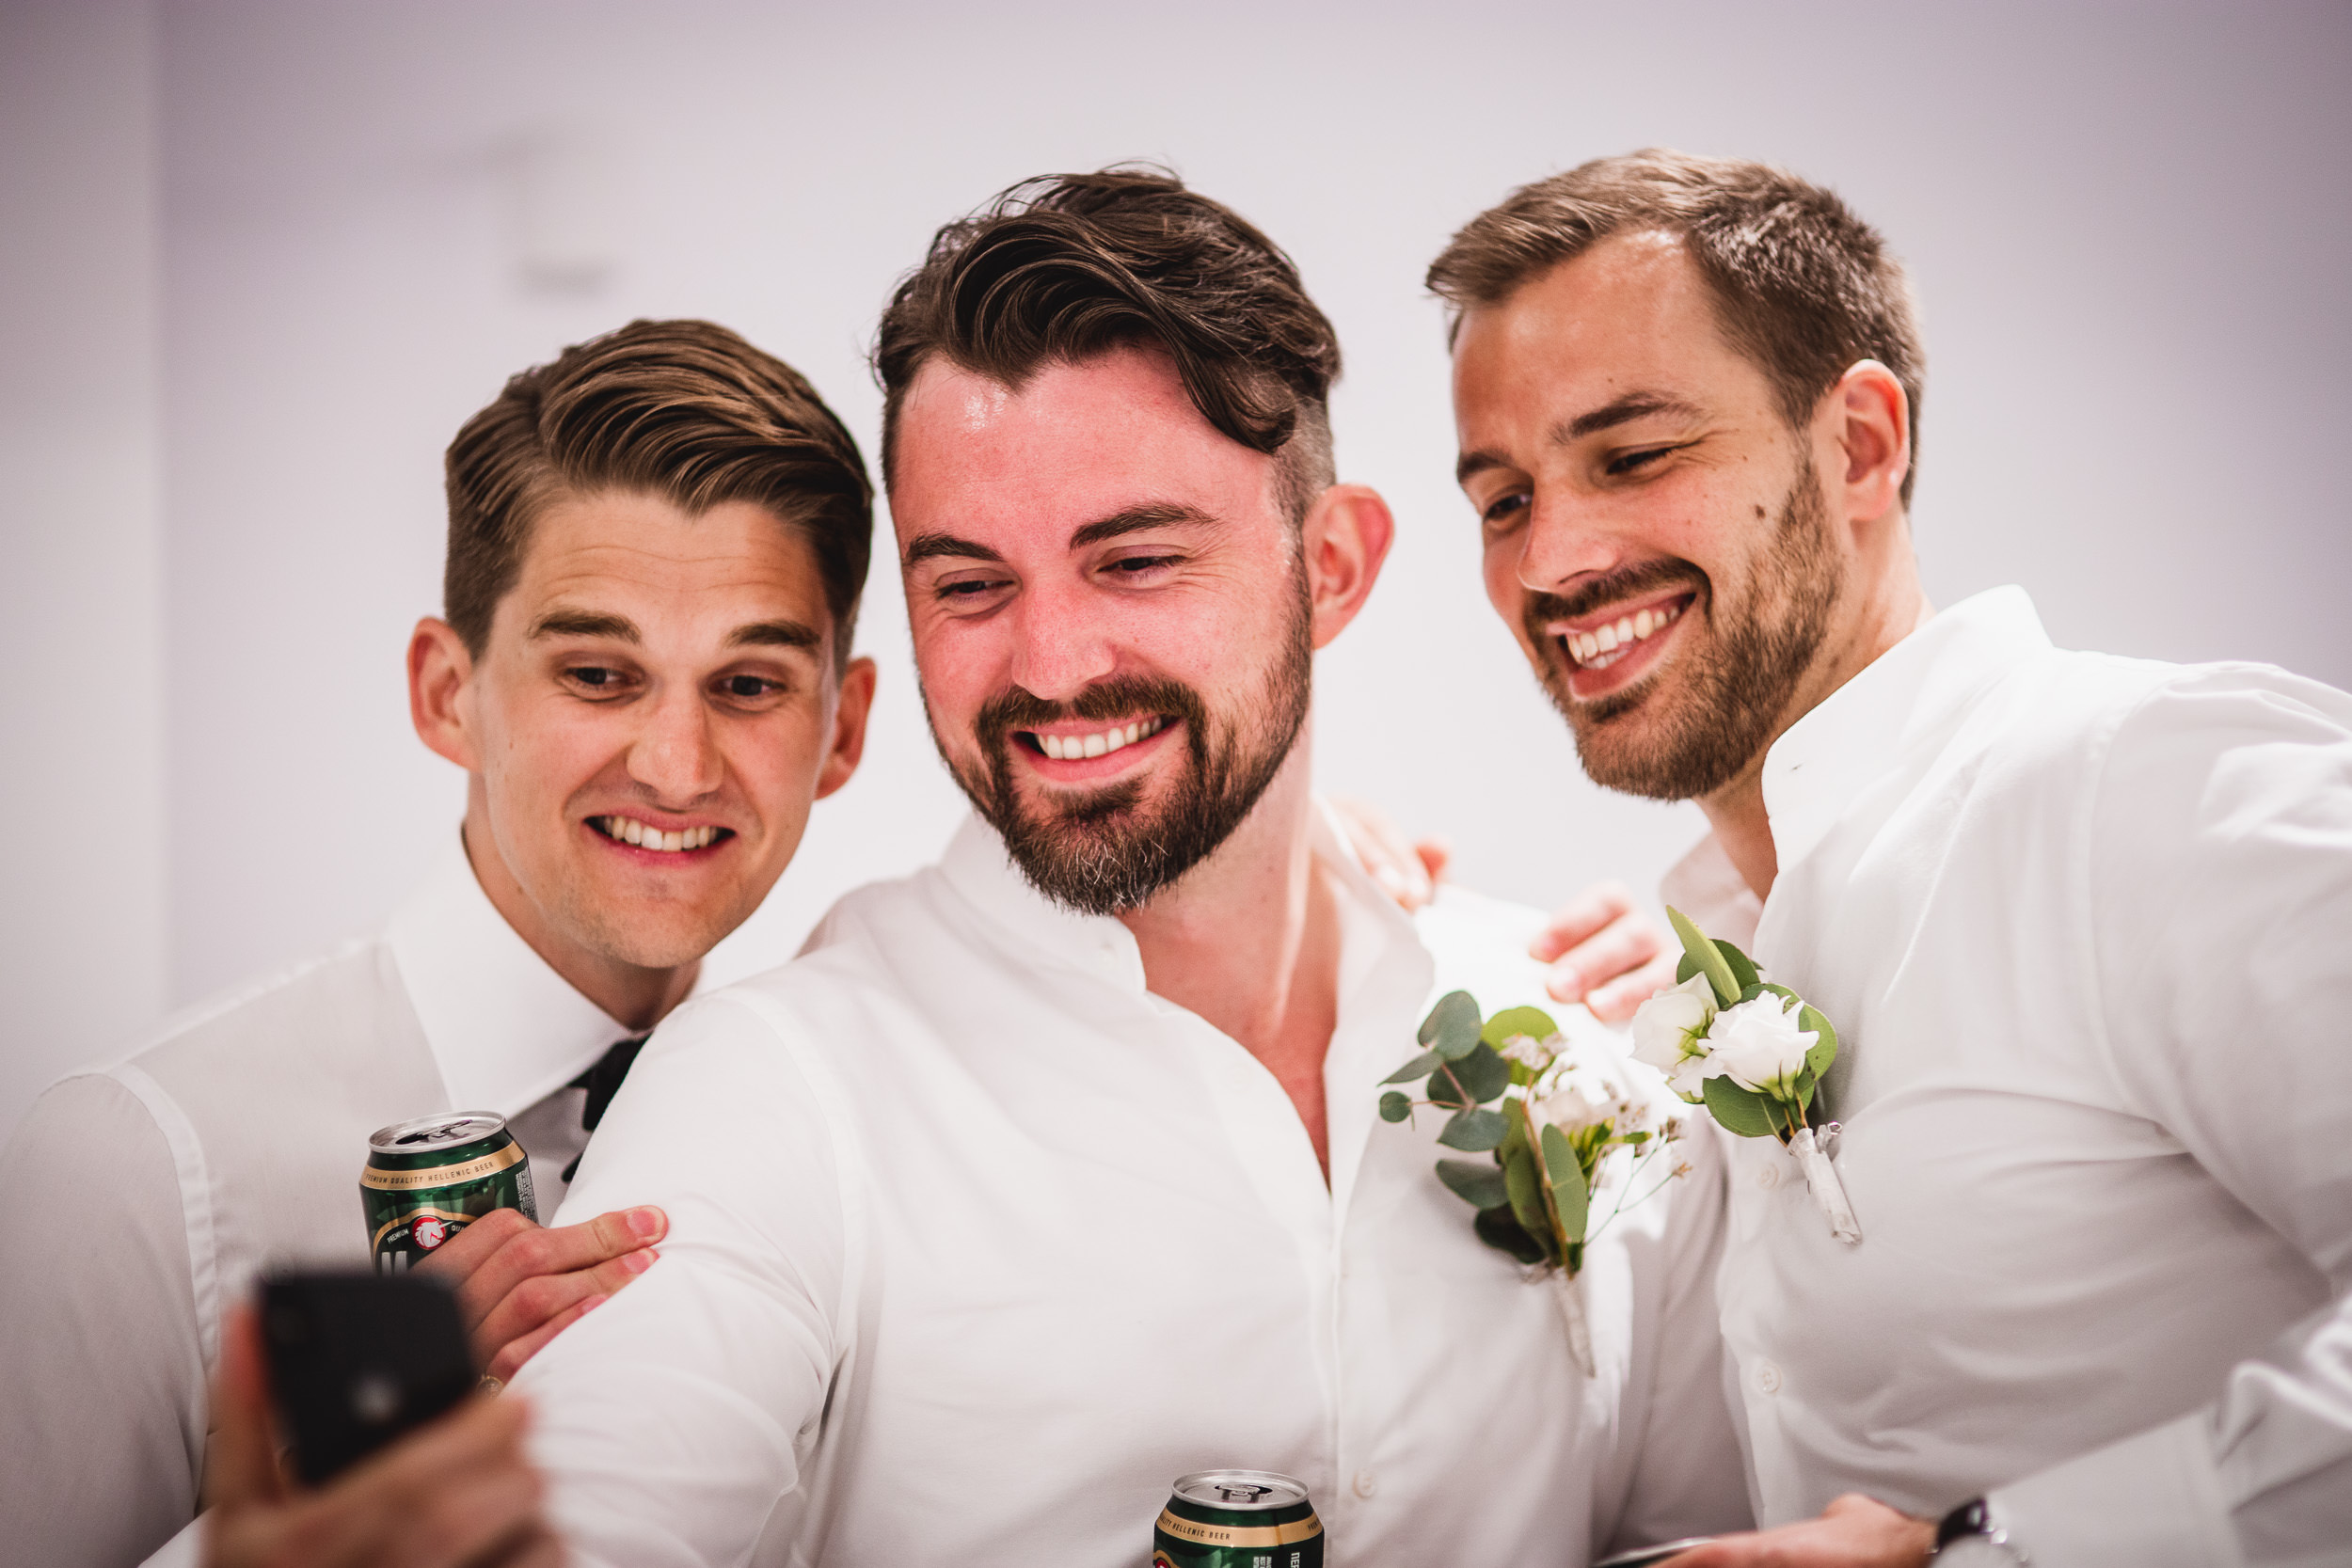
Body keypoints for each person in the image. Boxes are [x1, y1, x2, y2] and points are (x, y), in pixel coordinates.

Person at [508, 167, 1753, 1566]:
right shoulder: (777, 1088)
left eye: (1137, 560)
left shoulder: (1579, 1033)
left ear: (1331, 567)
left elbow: (1708, 1536)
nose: (1049, 668)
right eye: (969, 583)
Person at [1433, 149, 2352, 1566]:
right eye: (1502, 499)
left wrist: (1988, 1553)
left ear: (1859, 443)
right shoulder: (1694, 957)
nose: (1550, 559)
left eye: (1633, 455)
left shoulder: (2151, 788)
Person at [0, 317, 881, 1566]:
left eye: (748, 685)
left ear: (840, 731)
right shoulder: (133, 1168)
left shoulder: (844, 1140)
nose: (680, 767)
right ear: (445, 694)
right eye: (596, 673)